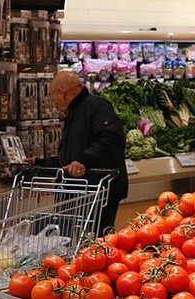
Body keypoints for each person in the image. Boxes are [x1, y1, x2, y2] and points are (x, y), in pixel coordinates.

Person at [37, 71, 128, 235]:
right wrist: (40, 163)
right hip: (82, 191)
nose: (53, 103)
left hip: (99, 192)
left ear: (61, 92)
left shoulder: (96, 106)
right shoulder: (75, 112)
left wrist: (85, 161)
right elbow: (72, 156)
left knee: (97, 240)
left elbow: (113, 139)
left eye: (53, 97)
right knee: (81, 242)